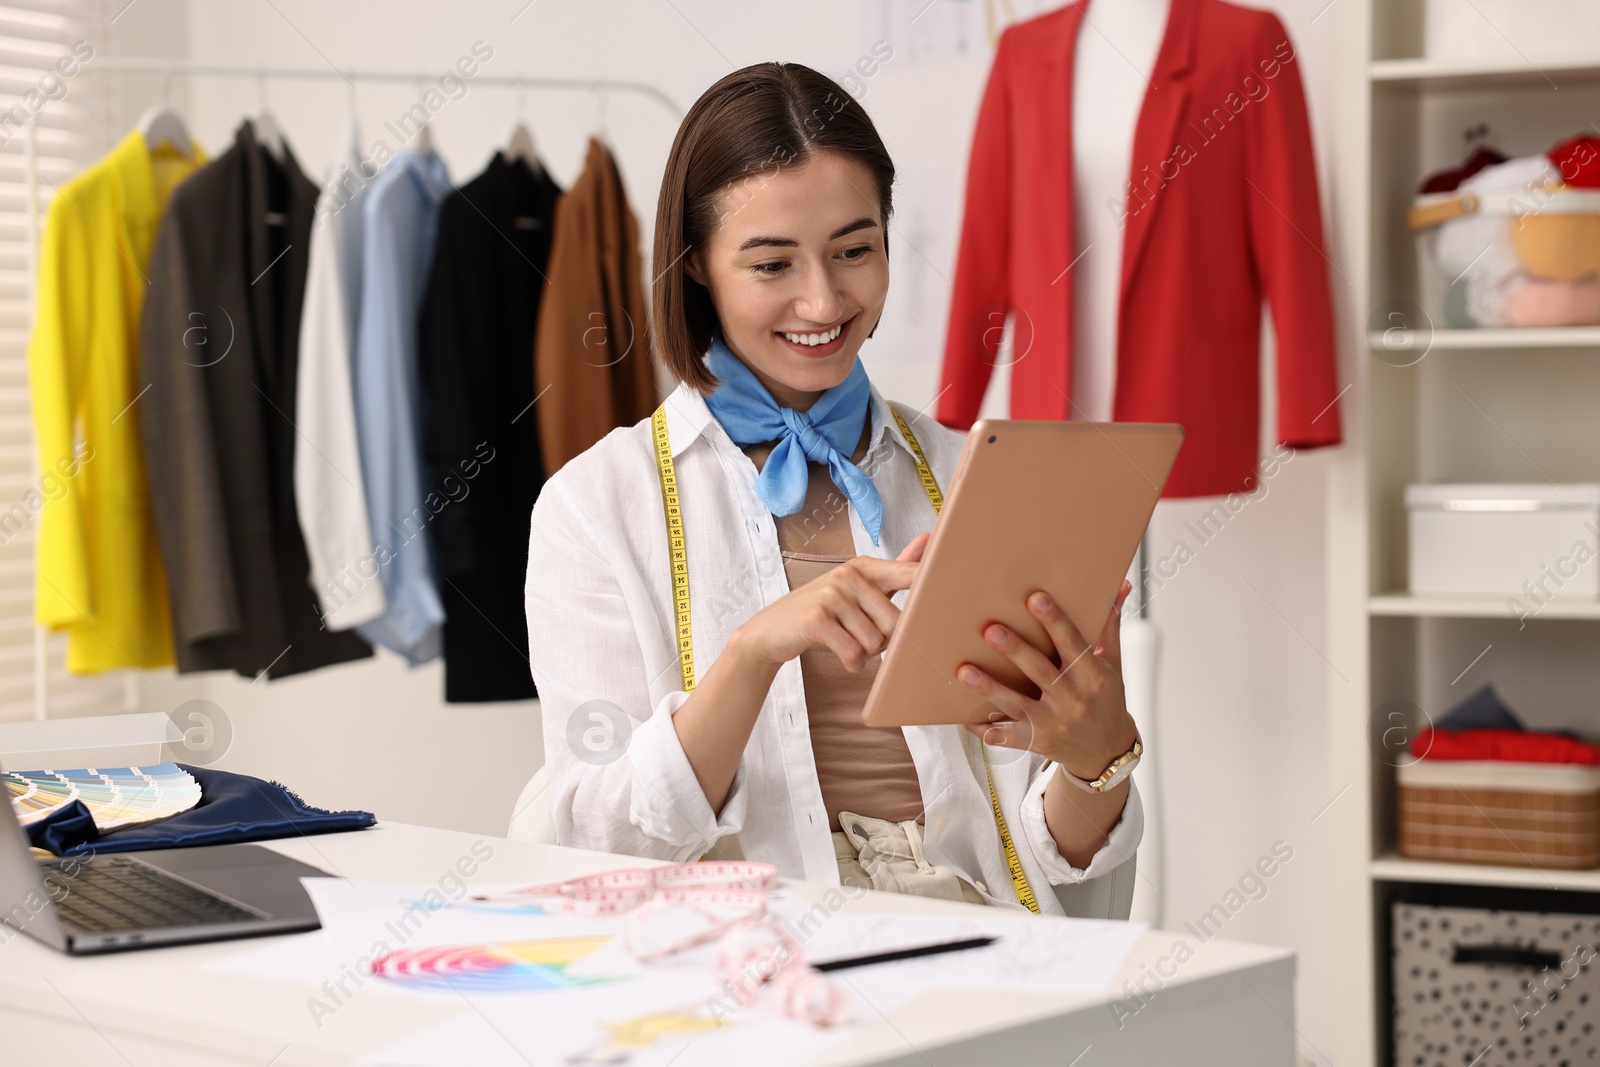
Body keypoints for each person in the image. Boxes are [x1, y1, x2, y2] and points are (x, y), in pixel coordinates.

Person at [525, 61, 1143, 916]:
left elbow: (1054, 857)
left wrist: (1098, 756)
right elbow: (597, 838)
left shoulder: (974, 472)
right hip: (750, 953)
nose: (823, 299)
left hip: (975, 932)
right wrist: (752, 653)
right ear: (696, 264)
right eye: (772, 264)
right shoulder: (597, 507)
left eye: (855, 250)